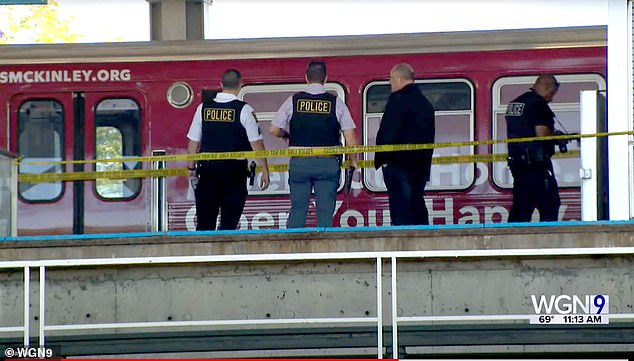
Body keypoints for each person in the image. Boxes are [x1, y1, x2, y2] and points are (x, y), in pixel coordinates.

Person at [269, 61, 358, 228]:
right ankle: (324, 250)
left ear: (306, 78)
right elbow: (350, 136)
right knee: (325, 212)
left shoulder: (294, 100)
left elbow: (274, 129)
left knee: (298, 209)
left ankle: (294, 250)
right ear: (326, 78)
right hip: (327, 163)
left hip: (300, 163)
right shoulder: (335, 102)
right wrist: (353, 162)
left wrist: (287, 136)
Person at [186, 69, 270, 230]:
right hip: (234, 173)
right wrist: (265, 170)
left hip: (208, 172)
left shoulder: (203, 108)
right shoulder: (244, 109)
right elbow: (257, 143)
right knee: (229, 223)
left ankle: (205, 254)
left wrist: (191, 167)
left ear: (220, 85)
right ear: (240, 85)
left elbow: (193, 143)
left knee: (204, 223)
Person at [374, 63, 435, 226]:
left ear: (400, 79)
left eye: (391, 79)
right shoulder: (425, 104)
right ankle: (421, 246)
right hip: (420, 167)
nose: (390, 83)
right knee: (417, 206)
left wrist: (383, 159)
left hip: (398, 166)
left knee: (401, 212)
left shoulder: (398, 100)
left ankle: (403, 248)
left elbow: (388, 131)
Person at [505, 74, 561, 222]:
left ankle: (512, 242)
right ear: (549, 87)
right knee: (550, 204)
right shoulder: (539, 105)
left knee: (521, 208)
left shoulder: (515, 104)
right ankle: (548, 242)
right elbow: (541, 134)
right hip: (536, 166)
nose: (552, 97)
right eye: (553, 93)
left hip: (518, 166)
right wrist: (557, 137)